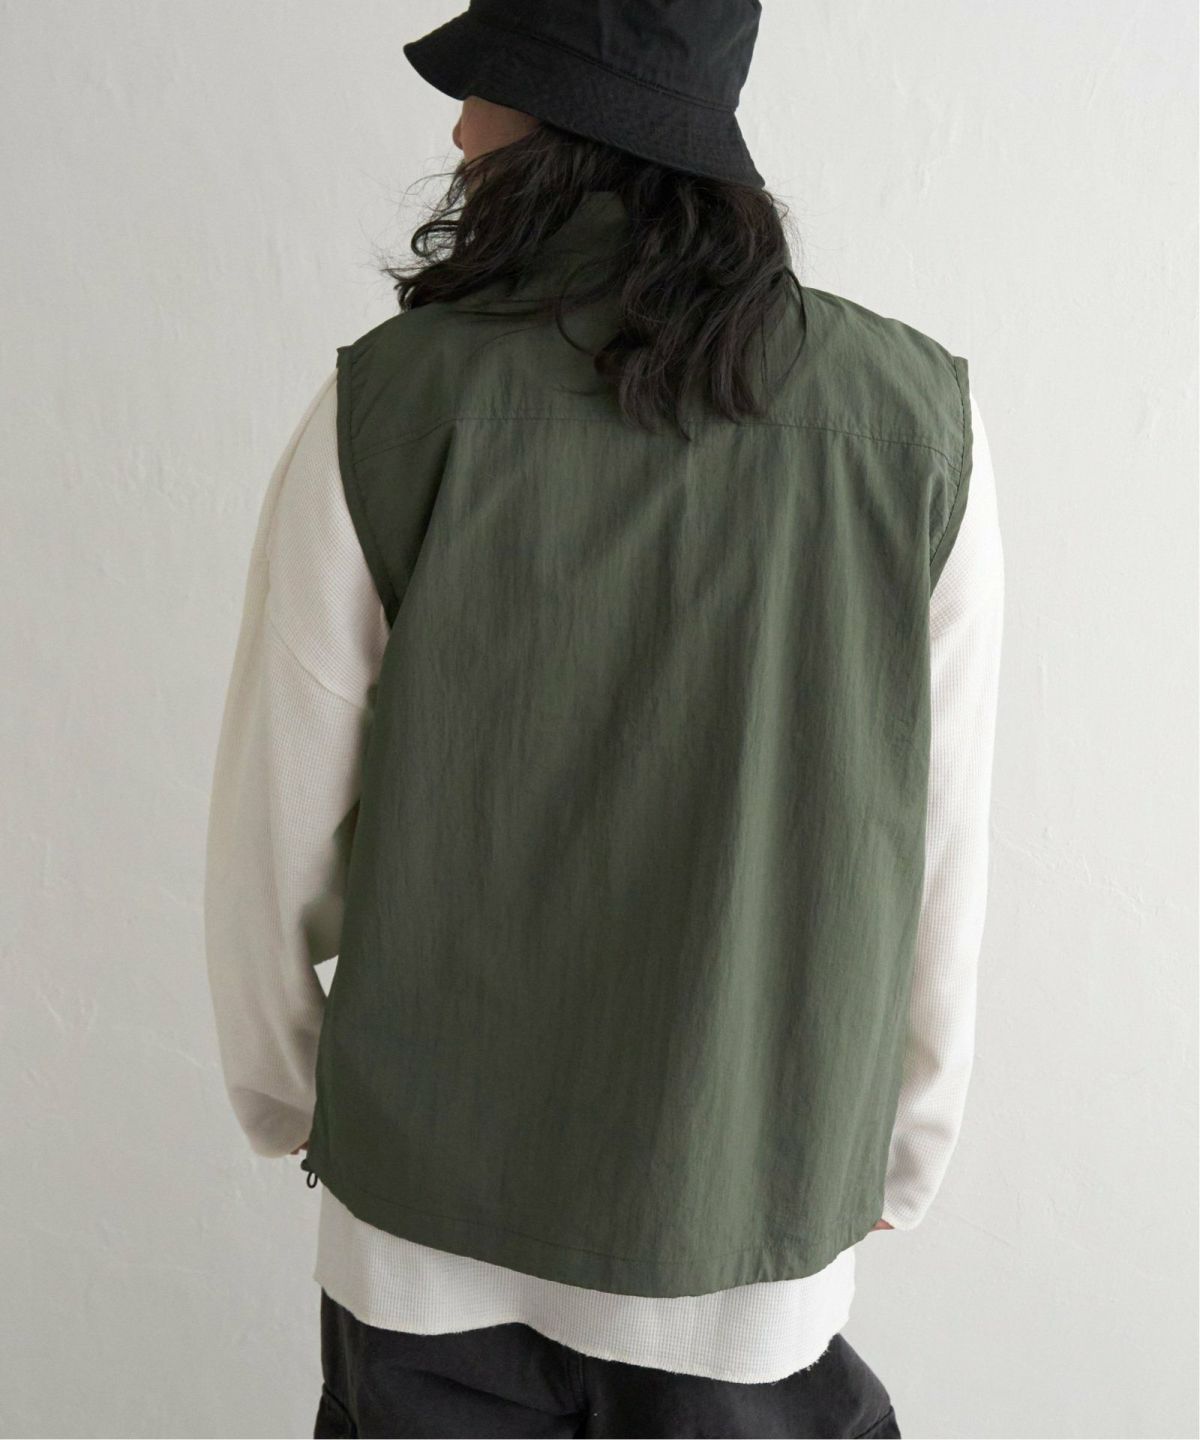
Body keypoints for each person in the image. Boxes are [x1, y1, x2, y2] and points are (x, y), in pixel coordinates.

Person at [203, 2, 1004, 1436]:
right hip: (745, 1218)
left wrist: (299, 1100)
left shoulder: (389, 407)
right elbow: (934, 838)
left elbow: (275, 827)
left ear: (563, 126)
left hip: (424, 1231)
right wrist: (900, 1146)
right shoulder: (916, 425)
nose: (460, 130)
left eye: (488, 92)